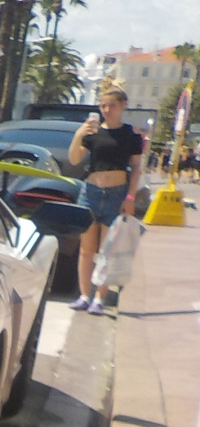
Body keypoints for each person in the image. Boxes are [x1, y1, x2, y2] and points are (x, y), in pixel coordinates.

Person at [67, 87, 143, 315]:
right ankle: (83, 295)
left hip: (116, 194)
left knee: (107, 250)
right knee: (86, 250)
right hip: (90, 192)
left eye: (112, 105)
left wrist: (130, 197)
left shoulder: (131, 135)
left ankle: (100, 298)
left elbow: (137, 167)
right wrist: (79, 134)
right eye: (103, 106)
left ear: (123, 106)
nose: (107, 110)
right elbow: (74, 159)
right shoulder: (92, 132)